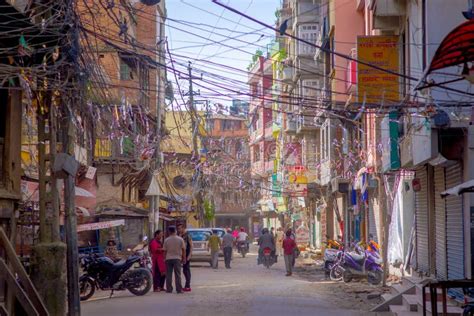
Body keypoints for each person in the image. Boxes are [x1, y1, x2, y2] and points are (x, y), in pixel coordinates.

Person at [163, 226, 186, 294]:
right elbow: (183, 249)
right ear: (175, 231)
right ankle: (179, 289)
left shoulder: (166, 240)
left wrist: (164, 258)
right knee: (178, 274)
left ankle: (169, 289)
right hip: (177, 259)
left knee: (168, 274)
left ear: (169, 231)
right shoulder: (180, 239)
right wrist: (184, 258)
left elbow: (164, 251)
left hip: (168, 259)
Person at [177, 224, 193, 292]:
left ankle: (188, 286)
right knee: (184, 270)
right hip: (182, 255)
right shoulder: (180, 236)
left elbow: (191, 246)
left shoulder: (188, 235)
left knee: (186, 270)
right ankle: (187, 285)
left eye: (180, 228)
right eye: (178, 229)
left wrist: (189, 255)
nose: (179, 230)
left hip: (186, 254)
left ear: (183, 228)